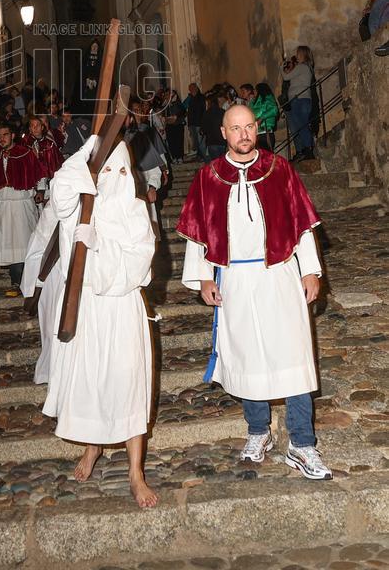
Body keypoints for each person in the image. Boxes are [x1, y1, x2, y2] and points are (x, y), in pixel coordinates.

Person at [178, 104, 332, 481]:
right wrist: (203, 278)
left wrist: (310, 269)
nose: (244, 134)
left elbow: (302, 226)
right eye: (236, 128)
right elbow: (197, 235)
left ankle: (301, 442)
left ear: (257, 129)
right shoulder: (208, 177)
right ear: (224, 133)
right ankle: (258, 431)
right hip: (235, 279)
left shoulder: (281, 171)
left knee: (293, 354)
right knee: (247, 355)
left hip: (279, 273)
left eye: (249, 127)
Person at [43, 138, 157, 508]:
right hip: (89, 307)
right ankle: (94, 448)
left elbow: (140, 265)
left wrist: (99, 247)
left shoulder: (137, 211)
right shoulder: (79, 205)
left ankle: (135, 472)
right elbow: (60, 188)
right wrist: (82, 155)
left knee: (128, 383)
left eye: (122, 170)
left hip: (122, 308)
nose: (114, 178)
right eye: (105, 170)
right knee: (94, 381)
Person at [0, 124, 46, 295]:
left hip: (22, 205)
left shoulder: (26, 153)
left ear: (12, 135)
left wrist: (41, 191)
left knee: (25, 241)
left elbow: (40, 173)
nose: (2, 138)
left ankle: (29, 280)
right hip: (4, 206)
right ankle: (16, 281)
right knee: (8, 242)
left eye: (5, 134)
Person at [20, 199, 61, 384]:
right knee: (53, 325)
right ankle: (53, 370)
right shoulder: (55, 207)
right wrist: (36, 281)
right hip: (54, 274)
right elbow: (42, 240)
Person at [282, 46, 315, 161]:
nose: (296, 55)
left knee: (302, 126)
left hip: (299, 99)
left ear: (302, 54)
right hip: (303, 99)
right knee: (302, 125)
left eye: (298, 53)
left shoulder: (301, 67)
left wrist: (282, 67)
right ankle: (306, 150)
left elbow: (286, 77)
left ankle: (308, 150)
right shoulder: (307, 67)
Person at [250, 82, 279, 151]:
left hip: (265, 132)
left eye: (255, 89)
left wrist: (262, 118)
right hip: (257, 133)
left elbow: (274, 110)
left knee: (266, 158)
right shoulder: (255, 101)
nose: (253, 91)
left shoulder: (267, 98)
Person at [201, 91, 225, 161]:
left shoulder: (207, 113)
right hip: (222, 141)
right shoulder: (222, 111)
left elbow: (204, 129)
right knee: (222, 161)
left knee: (215, 162)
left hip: (212, 141)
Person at [185, 83, 207, 160]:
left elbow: (203, 110)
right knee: (195, 140)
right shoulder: (190, 98)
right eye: (189, 89)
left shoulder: (201, 97)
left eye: (192, 88)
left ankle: (204, 156)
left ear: (196, 88)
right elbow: (185, 107)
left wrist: (202, 123)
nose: (190, 90)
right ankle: (199, 154)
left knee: (200, 140)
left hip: (198, 122)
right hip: (192, 122)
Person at [163, 89, 186, 162]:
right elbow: (163, 113)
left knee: (179, 141)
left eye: (168, 94)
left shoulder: (177, 102)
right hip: (169, 125)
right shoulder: (164, 104)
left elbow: (183, 111)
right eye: (166, 95)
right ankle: (174, 157)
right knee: (171, 142)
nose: (166, 96)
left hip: (178, 124)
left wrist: (176, 116)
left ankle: (180, 157)